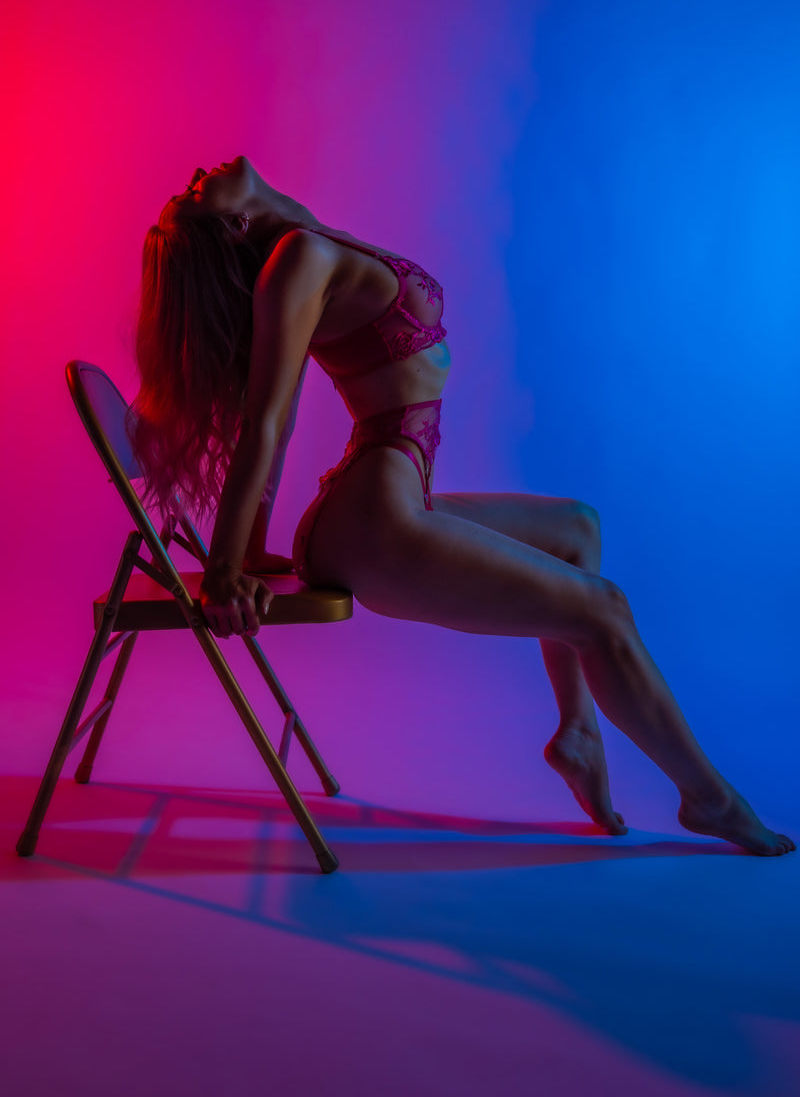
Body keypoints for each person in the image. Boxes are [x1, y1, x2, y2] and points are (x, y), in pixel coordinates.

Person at [131, 155, 794, 857]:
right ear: (235, 225)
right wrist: (230, 564)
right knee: (602, 608)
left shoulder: (308, 248)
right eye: (191, 194)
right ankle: (710, 800)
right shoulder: (296, 261)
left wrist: (257, 544)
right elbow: (265, 421)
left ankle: (578, 731)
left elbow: (283, 417)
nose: (196, 171)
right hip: (373, 522)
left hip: (390, 497)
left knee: (576, 529)